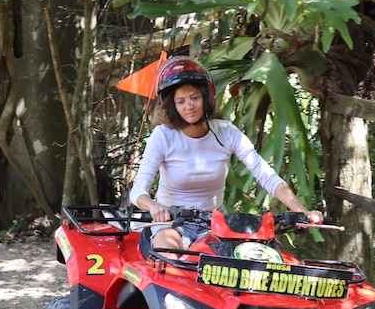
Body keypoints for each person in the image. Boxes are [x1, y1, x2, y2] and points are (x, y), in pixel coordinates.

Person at [129, 56, 323, 253]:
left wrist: (303, 212)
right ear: (173, 106)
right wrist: (154, 207)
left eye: (194, 98)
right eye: (181, 101)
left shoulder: (226, 132)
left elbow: (265, 174)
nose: (189, 106)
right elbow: (137, 190)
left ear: (206, 98)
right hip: (172, 223)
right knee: (169, 262)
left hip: (214, 223)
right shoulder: (163, 136)